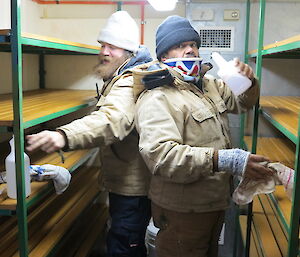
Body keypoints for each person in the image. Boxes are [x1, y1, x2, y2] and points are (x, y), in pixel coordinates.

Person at [132, 15, 274, 257]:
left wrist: (249, 82)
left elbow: (242, 103)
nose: (189, 49)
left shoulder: (207, 84)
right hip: (182, 209)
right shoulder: (157, 96)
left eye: (193, 44)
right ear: (164, 56)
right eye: (180, 45)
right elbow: (162, 157)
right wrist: (228, 160)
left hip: (213, 201)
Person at [26, 11, 152, 257]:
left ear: (128, 51)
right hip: (131, 183)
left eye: (113, 47)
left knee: (124, 247)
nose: (104, 51)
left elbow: (110, 120)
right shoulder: (124, 73)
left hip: (132, 189)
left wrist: (63, 135)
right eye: (103, 44)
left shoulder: (128, 81)